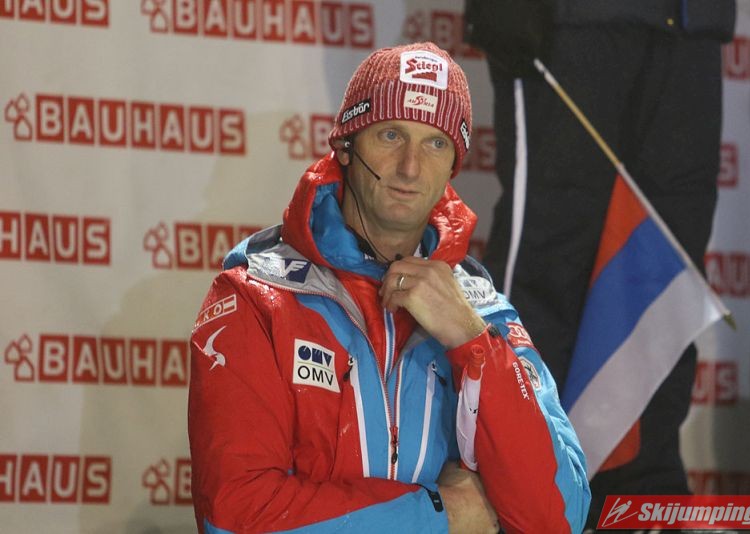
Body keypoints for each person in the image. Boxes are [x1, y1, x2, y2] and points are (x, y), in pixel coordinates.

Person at [188, 42, 590, 533]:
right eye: (391, 134)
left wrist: (471, 343)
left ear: (453, 165)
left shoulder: (483, 314)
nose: (410, 167)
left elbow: (559, 517)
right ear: (345, 146)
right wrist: (441, 516)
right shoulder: (256, 296)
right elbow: (236, 516)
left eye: (436, 143)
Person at [464, 0, 736, 529]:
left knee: (665, 260)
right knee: (548, 250)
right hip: (571, 20)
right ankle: (519, 485)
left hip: (692, 24)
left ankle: (643, 493)